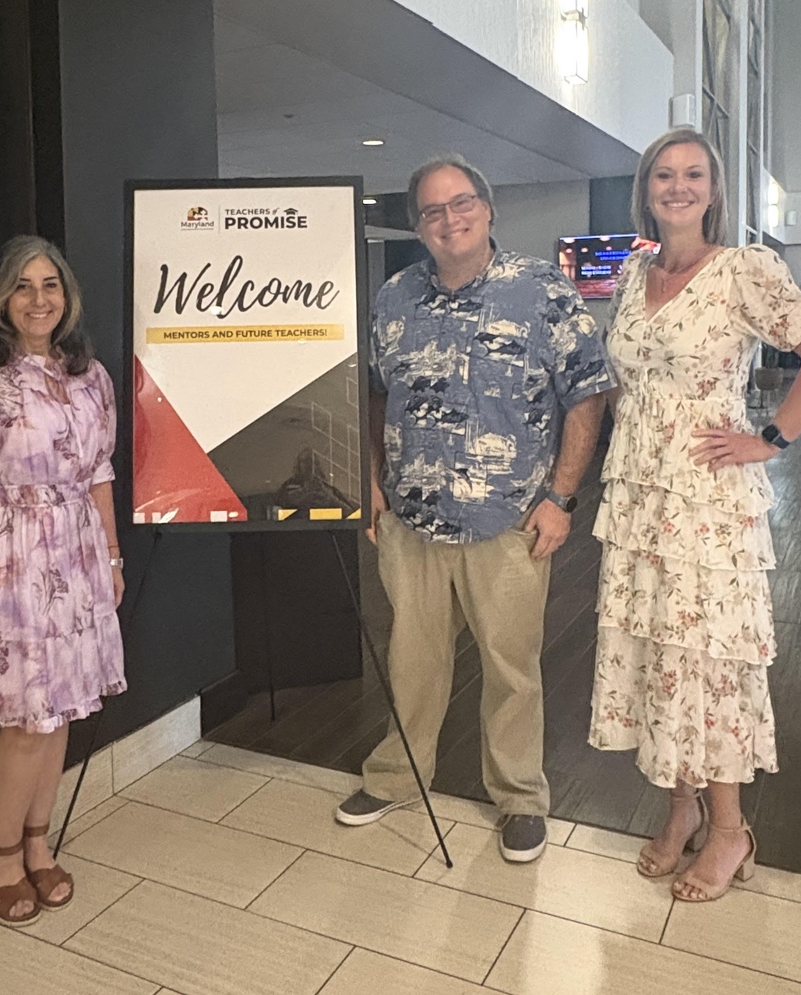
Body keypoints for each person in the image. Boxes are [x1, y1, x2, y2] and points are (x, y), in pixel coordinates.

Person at [589, 128, 801, 902]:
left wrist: (771, 437)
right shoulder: (633, 273)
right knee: (658, 656)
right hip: (638, 497)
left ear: (713, 189)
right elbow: (626, 378)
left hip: (706, 504)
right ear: (645, 190)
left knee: (709, 659)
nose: (678, 186)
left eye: (693, 174)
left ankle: (730, 827)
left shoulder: (744, 269)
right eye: (663, 174)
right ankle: (683, 809)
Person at [334, 154, 615, 862]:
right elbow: (375, 393)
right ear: (417, 224)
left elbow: (587, 392)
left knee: (511, 669)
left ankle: (519, 797)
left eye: (461, 203)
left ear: (488, 209)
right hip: (411, 520)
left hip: (509, 521)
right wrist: (371, 482)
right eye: (432, 210)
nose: (449, 219)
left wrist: (561, 497)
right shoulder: (394, 296)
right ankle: (398, 777)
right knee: (412, 660)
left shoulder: (541, 290)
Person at [0, 235, 126, 926]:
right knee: (24, 722)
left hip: (77, 562)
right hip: (7, 568)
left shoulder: (90, 376)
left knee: (58, 711)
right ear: (1, 299)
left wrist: (112, 558)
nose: (39, 299)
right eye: (23, 286)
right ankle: (3, 856)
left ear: (67, 295)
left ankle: (39, 842)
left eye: (50, 285)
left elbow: (99, 474)